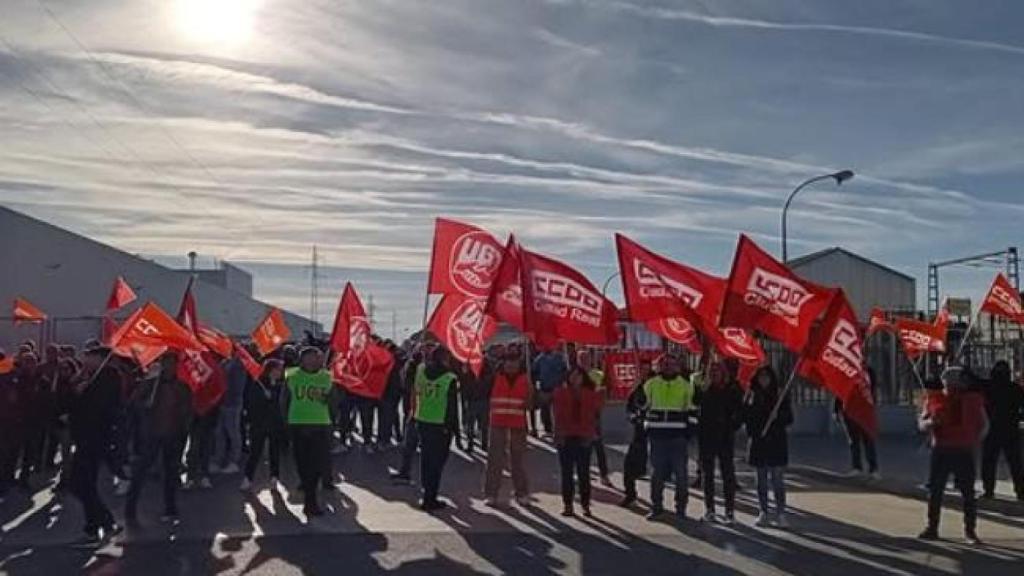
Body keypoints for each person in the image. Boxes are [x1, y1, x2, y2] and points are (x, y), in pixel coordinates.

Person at [919, 366, 987, 544]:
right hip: (941, 449)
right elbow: (922, 422)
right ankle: (932, 527)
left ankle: (970, 531)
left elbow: (984, 424)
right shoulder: (934, 399)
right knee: (935, 490)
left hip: (963, 450)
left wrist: (974, 440)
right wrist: (930, 423)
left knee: (967, 492)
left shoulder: (972, 400)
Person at [125, 352, 193, 526]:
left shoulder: (182, 387)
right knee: (141, 471)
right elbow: (133, 404)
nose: (169, 367)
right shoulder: (150, 385)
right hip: (151, 434)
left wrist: (183, 429)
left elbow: (187, 411)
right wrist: (144, 405)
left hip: (173, 435)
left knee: (171, 473)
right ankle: (130, 508)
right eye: (166, 363)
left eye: (172, 364)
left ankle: (170, 508)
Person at [67, 346, 122, 548]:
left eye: (89, 357)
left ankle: (93, 530)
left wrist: (83, 393)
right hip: (85, 438)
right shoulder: (92, 377)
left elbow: (98, 409)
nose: (86, 360)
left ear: (100, 359)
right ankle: (106, 522)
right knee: (82, 484)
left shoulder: (108, 378)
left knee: (80, 483)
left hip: (95, 439)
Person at [642, 353, 695, 521]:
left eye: (672, 364)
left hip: (677, 438)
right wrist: (645, 426)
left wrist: (688, 433)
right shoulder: (650, 384)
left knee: (681, 475)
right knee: (656, 475)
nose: (668, 367)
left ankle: (681, 509)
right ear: (659, 366)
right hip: (657, 437)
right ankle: (656, 507)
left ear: (677, 367)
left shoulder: (686, 386)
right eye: (664, 364)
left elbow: (692, 412)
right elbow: (643, 406)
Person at [283, 347, 334, 517]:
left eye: (316, 357)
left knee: (317, 465)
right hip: (298, 423)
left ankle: (310, 500)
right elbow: (284, 400)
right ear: (302, 360)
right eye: (309, 358)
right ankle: (309, 496)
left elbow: (335, 401)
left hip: (320, 424)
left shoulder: (327, 377)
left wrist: (330, 401)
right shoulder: (291, 375)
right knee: (302, 464)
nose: (313, 361)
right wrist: (285, 422)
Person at [695, 360, 743, 524]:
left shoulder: (732, 389)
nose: (714, 374)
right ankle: (710, 510)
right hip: (707, 438)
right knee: (708, 475)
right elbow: (696, 406)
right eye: (712, 371)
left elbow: (739, 412)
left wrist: (731, 425)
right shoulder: (705, 389)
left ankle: (729, 511)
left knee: (727, 474)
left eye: (717, 371)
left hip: (725, 438)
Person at [744, 366, 793, 528]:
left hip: (776, 443)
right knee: (761, 481)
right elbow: (747, 418)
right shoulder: (751, 395)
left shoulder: (780, 395)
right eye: (761, 377)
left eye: (767, 377)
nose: (764, 380)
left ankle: (781, 513)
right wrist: (755, 426)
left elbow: (789, 418)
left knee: (777, 480)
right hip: (759, 442)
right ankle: (763, 511)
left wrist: (778, 416)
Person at [413, 346, 460, 511]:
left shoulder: (421, 371)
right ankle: (431, 497)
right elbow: (452, 408)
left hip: (423, 420)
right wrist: (454, 429)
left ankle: (427, 494)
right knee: (437, 463)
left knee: (426, 461)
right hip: (441, 425)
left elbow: (416, 391)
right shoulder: (449, 378)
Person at [483, 349, 532, 507]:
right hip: (498, 423)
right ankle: (491, 494)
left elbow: (532, 404)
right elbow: (480, 391)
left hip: (518, 424)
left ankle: (522, 493)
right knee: (494, 460)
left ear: (519, 364)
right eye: (508, 363)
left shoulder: (526, 380)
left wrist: (531, 397)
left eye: (514, 363)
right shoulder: (494, 378)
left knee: (518, 461)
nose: (511, 366)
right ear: (503, 364)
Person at [553, 366, 603, 517]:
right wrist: (558, 434)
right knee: (566, 473)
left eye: (578, 376)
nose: (575, 379)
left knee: (584, 473)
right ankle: (568, 504)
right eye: (572, 376)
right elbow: (557, 414)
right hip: (566, 436)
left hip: (583, 437)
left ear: (583, 378)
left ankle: (585, 504)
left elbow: (595, 415)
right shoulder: (560, 393)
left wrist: (591, 434)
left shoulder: (590, 394)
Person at [980, 360, 1023, 500]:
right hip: (1010, 429)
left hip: (992, 429)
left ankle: (988, 490)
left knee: (989, 461)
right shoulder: (1015, 389)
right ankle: (1021, 491)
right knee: (1015, 463)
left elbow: (974, 383)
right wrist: (1017, 417)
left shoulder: (988, 387)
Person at [242, 359, 287, 491]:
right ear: (271, 370)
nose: (280, 372)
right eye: (278, 369)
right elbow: (251, 404)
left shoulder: (280, 385)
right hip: (259, 424)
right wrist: (264, 398)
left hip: (275, 423)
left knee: (275, 452)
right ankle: (248, 478)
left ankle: (274, 477)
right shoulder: (258, 384)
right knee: (255, 452)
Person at [835, 366, 880, 479]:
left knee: (868, 439)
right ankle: (857, 467)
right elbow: (840, 390)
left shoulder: (868, 372)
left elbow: (872, 390)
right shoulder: (845, 371)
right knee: (853, 440)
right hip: (849, 410)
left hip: (864, 409)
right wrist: (836, 409)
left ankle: (873, 469)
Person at [620, 358, 652, 508]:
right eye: (641, 369)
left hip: (655, 431)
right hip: (639, 432)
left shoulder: (655, 385)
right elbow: (630, 407)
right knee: (629, 466)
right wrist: (632, 416)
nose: (644, 372)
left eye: (646, 369)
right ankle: (630, 494)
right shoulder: (636, 387)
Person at [576, 350, 611, 486]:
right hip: (578, 414)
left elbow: (603, 392)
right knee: (580, 447)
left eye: (586, 358)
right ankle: (582, 474)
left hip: (593, 414)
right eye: (581, 358)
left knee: (597, 445)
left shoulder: (598, 374)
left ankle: (604, 474)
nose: (584, 360)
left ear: (590, 359)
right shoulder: (574, 374)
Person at [212, 354, 248, 474]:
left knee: (233, 432)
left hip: (232, 403)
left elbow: (237, 386)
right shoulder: (225, 362)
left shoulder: (238, 364)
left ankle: (234, 461)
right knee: (219, 433)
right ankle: (218, 459)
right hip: (222, 402)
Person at [532, 349, 566, 436]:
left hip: (558, 388)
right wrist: (538, 381)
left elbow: (565, 370)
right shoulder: (540, 359)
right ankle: (548, 429)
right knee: (545, 410)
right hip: (545, 388)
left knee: (558, 411)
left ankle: (559, 429)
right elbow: (534, 371)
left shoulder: (560, 358)